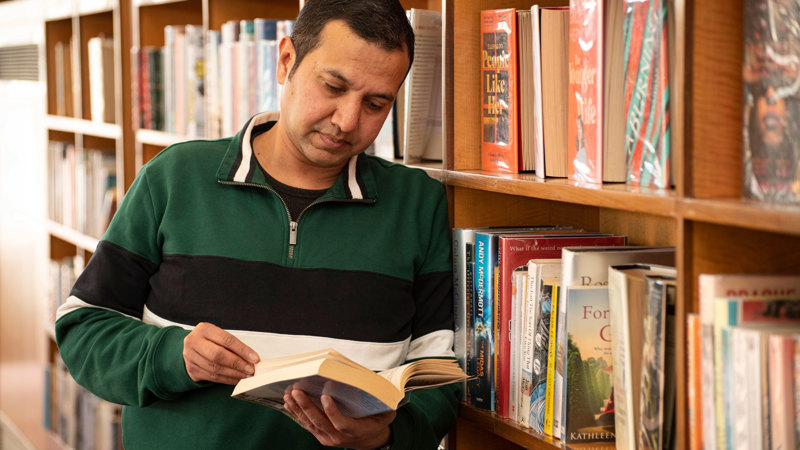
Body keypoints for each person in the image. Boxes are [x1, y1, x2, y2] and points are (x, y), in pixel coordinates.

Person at [54, 1, 459, 448]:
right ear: (286, 60)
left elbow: (439, 369)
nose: (347, 121)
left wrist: (389, 435)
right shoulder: (174, 178)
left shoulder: (419, 204)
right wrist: (173, 355)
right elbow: (84, 327)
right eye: (332, 86)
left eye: (376, 103)